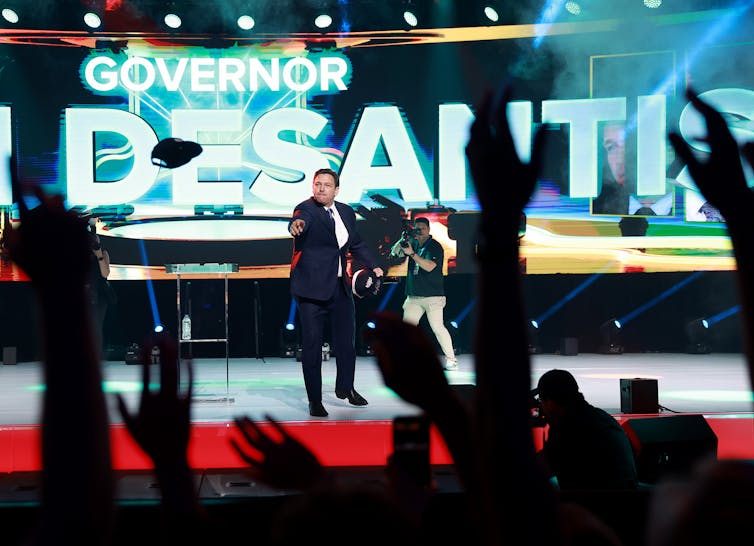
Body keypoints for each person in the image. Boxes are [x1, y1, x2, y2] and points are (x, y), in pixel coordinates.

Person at [288, 167, 384, 417]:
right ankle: (315, 400)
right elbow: (301, 219)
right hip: (311, 290)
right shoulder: (305, 208)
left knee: (346, 344)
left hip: (340, 288)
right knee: (312, 346)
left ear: (336, 190)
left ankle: (346, 388)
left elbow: (357, 242)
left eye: (326, 185)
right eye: (317, 184)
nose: (320, 188)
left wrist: (374, 265)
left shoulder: (346, 212)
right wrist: (296, 225)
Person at [534, 369, 639, 491]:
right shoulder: (601, 417)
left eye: (541, 401)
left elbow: (539, 469)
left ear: (550, 402)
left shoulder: (567, 427)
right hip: (627, 500)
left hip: (596, 505)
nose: (541, 406)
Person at [389, 217, 458, 370]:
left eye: (422, 228)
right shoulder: (412, 243)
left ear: (428, 229)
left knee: (438, 328)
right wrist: (401, 240)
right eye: (416, 228)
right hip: (414, 296)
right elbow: (394, 255)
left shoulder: (435, 246)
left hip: (433, 296)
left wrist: (412, 254)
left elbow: (429, 267)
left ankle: (451, 359)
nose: (419, 231)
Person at [592, 122, 674, 223]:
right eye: (611, 147)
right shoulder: (597, 212)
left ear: (670, 153)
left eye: (634, 144)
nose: (620, 159)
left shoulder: (692, 205)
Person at [86, 219, 113, 357]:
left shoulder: (103, 254)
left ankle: (95, 357)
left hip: (99, 295)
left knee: (96, 327)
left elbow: (105, 274)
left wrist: (99, 257)